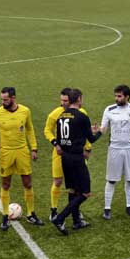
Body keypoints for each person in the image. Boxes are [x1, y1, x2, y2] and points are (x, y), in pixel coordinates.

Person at [51, 89, 103, 235]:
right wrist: (99, 131)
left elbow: (62, 138)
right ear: (79, 99)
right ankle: (60, 218)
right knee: (85, 193)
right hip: (76, 158)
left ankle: (76, 222)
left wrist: (85, 131)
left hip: (64, 158)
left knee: (73, 190)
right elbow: (91, 139)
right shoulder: (82, 116)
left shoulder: (61, 116)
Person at [0, 87, 41, 230]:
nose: (3, 102)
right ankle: (5, 215)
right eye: (1, 99)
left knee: (28, 183)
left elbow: (30, 130)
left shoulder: (25, 111)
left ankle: (31, 214)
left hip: (22, 151)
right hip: (6, 152)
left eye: (5, 99)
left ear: (13, 98)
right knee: (5, 184)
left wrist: (34, 148)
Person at [44, 88, 92, 222]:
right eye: (62, 100)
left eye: (66, 100)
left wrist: (88, 149)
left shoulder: (81, 113)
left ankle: (75, 212)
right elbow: (47, 130)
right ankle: (54, 211)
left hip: (77, 154)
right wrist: (55, 144)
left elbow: (86, 133)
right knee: (58, 181)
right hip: (60, 153)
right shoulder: (55, 114)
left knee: (76, 186)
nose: (63, 103)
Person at [101, 85, 130, 219]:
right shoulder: (109, 110)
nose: (116, 98)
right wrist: (97, 130)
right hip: (114, 148)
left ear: (127, 97)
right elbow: (103, 130)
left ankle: (129, 206)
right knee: (111, 180)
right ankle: (107, 209)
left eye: (119, 96)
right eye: (115, 96)